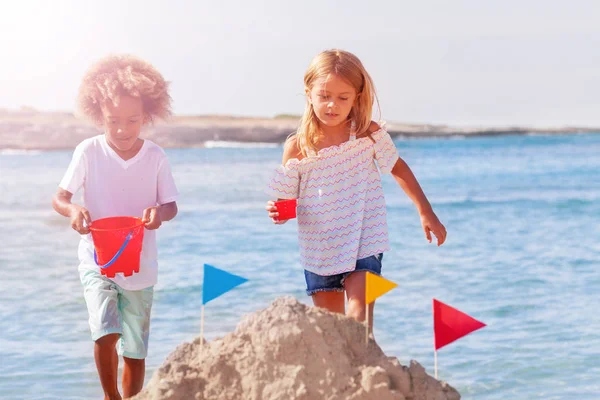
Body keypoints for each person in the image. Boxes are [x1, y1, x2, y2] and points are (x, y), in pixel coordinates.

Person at [265, 49, 446, 333]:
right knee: (331, 332)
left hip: (365, 236)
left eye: (342, 97)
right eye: (324, 96)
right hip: (320, 248)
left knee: (359, 316)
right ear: (308, 93)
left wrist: (426, 211)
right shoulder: (297, 147)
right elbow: (290, 203)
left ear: (357, 97)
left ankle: (366, 371)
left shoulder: (366, 134)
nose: (332, 105)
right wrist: (280, 212)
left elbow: (398, 168)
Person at [52, 55, 178, 400]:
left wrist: (158, 213)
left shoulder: (155, 157)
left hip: (141, 265)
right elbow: (60, 198)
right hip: (97, 260)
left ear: (147, 116)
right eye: (113, 121)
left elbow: (170, 205)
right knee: (104, 331)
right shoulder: (88, 151)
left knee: (135, 351)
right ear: (99, 115)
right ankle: (111, 397)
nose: (122, 129)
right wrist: (74, 209)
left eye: (132, 120)